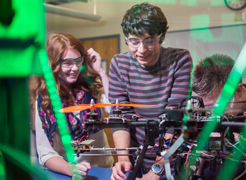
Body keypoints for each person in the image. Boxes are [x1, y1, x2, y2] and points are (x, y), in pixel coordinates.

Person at [109, 2, 193, 180]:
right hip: (136, 156)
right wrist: (123, 159)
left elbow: (175, 119)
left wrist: (157, 169)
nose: (141, 50)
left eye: (148, 41)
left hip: (171, 160)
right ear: (126, 38)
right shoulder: (119, 63)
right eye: (134, 42)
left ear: (161, 37)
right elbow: (120, 116)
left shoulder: (180, 59)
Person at [32, 33, 114, 179]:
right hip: (69, 175)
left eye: (78, 61)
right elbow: (45, 153)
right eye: (68, 62)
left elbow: (114, 108)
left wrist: (100, 72)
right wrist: (70, 169)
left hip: (104, 170)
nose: (75, 68)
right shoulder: (45, 99)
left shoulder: (92, 87)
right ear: (54, 64)